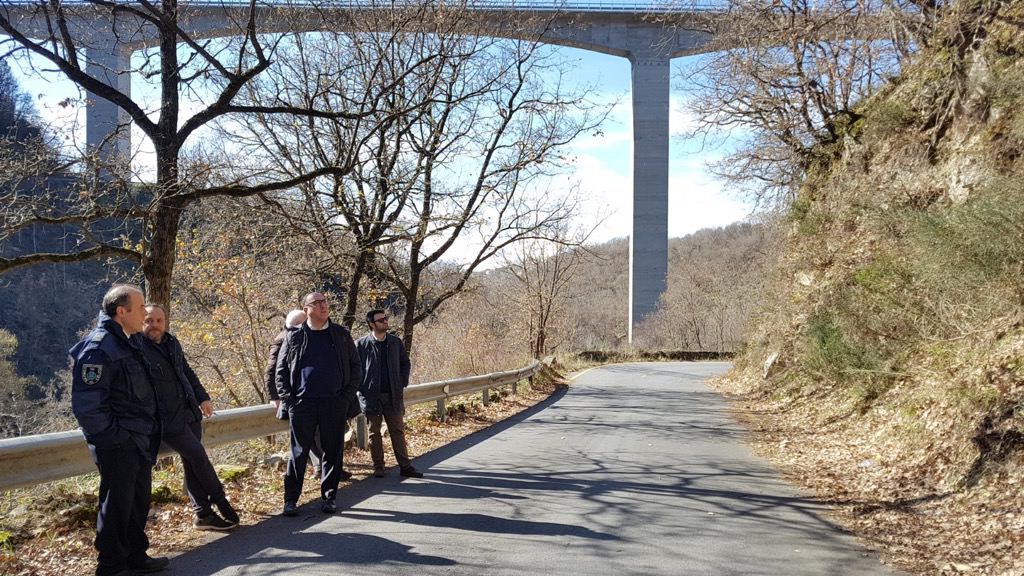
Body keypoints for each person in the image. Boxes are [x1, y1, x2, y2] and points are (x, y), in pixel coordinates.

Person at [70, 284, 170, 576]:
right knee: (116, 505)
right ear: (121, 311)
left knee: (137, 502)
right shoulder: (99, 348)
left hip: (139, 438)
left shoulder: (131, 341)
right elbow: (88, 407)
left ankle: (136, 556)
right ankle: (112, 565)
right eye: (140, 308)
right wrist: (118, 438)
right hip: (119, 442)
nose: (146, 313)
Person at [139, 304, 240, 531]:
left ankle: (203, 514)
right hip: (167, 419)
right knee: (198, 456)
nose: (154, 325)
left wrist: (203, 397)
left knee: (192, 462)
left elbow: (187, 372)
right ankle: (220, 501)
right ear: (141, 321)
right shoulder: (138, 348)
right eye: (149, 320)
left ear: (165, 322)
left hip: (189, 413)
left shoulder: (172, 343)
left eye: (158, 320)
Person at [274, 292, 361, 515]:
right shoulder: (294, 337)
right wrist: (290, 400)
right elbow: (280, 371)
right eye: (317, 303)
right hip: (302, 404)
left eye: (325, 302)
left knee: (332, 451)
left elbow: (356, 369)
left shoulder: (341, 334)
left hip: (334, 403)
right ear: (306, 310)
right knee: (298, 453)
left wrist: (345, 398)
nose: (323, 306)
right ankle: (290, 500)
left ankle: (329, 497)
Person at [265, 309, 350, 480]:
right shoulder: (285, 339)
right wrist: (278, 397)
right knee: (307, 441)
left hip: (320, 398)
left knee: (319, 438)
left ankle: (327, 471)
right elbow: (273, 370)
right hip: (299, 399)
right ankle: (320, 471)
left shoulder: (317, 336)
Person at [355, 310, 422, 479]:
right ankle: (379, 467)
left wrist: (401, 382)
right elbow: (354, 370)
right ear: (372, 324)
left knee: (397, 431)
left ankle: (405, 466)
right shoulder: (361, 345)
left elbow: (405, 363)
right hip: (371, 397)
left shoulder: (395, 342)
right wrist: (361, 390)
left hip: (393, 395)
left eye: (386, 318)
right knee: (374, 433)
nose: (385, 321)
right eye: (381, 320)